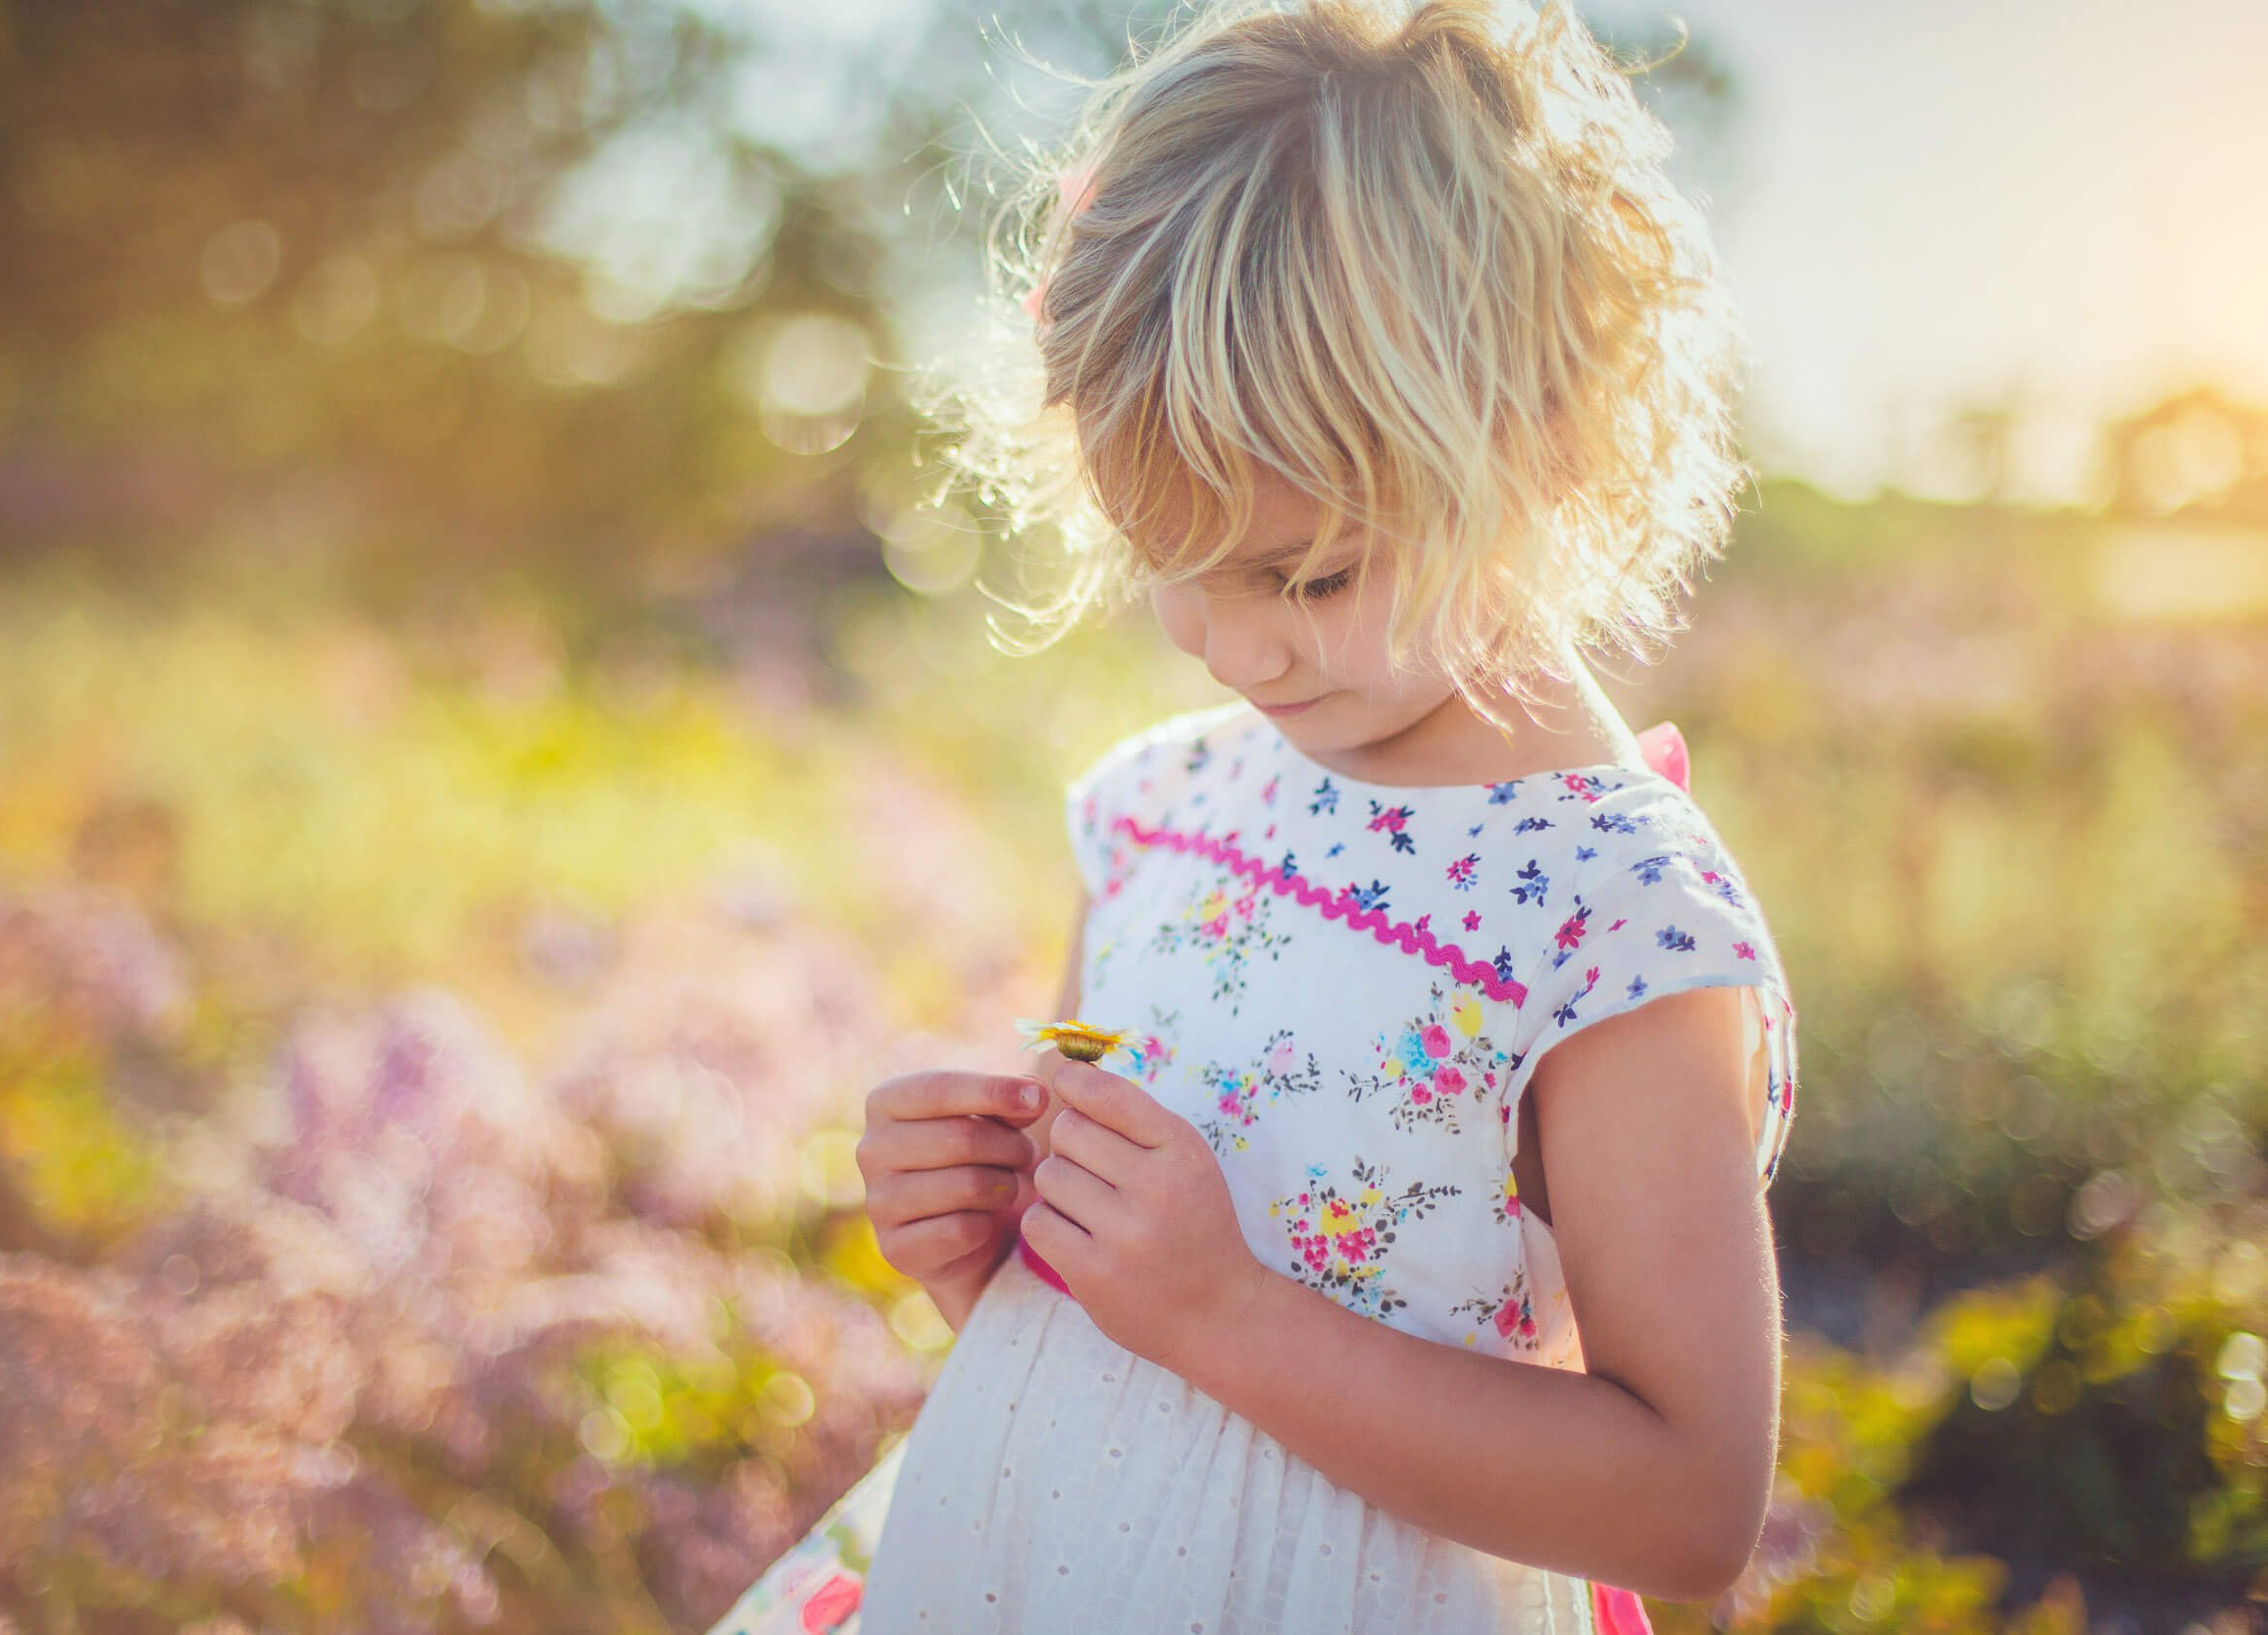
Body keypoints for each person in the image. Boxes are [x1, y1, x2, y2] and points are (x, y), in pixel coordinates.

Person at [711, 1, 1798, 1630]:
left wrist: (1227, 1314)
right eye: (1173, 559)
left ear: (1541, 441)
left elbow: (1689, 1503)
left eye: (1307, 573)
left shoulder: (1605, 917)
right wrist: (990, 1248)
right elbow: (1117, 1359)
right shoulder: (1168, 807)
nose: (1227, 642)